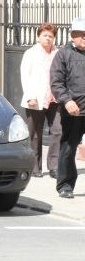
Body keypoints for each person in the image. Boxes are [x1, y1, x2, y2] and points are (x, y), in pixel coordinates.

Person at [50, 17, 85, 199]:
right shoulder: (63, 55)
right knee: (69, 148)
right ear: (73, 36)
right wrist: (67, 100)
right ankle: (65, 185)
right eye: (81, 35)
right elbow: (56, 82)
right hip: (74, 110)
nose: (84, 38)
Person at [20, 23, 61, 178]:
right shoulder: (30, 53)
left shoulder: (58, 53)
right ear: (38, 37)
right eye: (45, 35)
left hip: (54, 98)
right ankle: (35, 167)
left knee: (57, 131)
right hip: (36, 99)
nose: (48, 38)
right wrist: (30, 95)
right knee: (35, 134)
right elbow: (25, 75)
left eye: (51, 36)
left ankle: (54, 166)